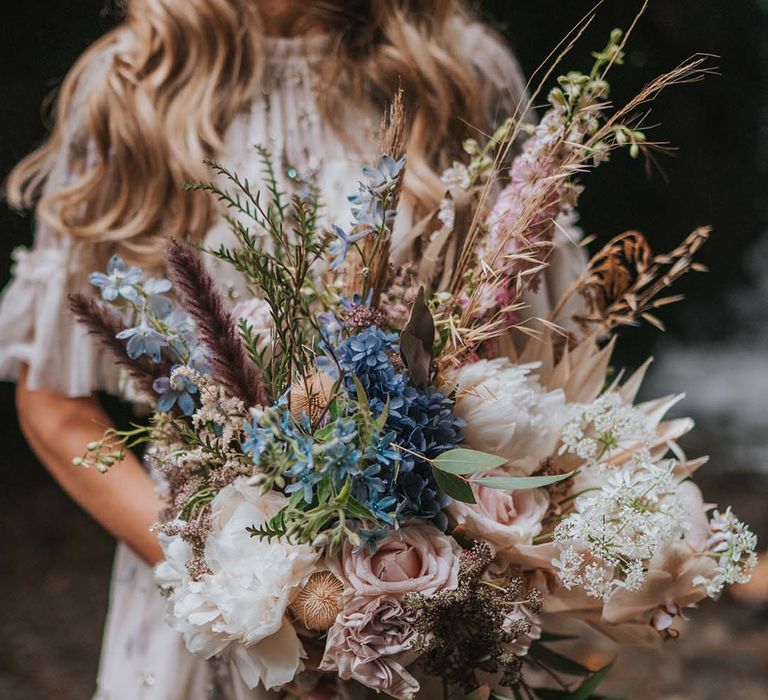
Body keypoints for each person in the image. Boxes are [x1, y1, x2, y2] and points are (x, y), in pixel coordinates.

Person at [0, 1, 586, 698]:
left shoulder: (459, 72)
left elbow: (539, 372)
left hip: (418, 617)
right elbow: (55, 406)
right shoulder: (130, 83)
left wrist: (431, 578)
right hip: (203, 616)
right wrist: (239, 587)